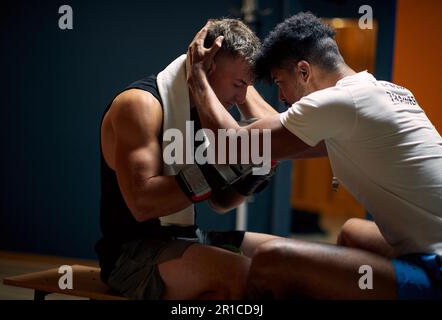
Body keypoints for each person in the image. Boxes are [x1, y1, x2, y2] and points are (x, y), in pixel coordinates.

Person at [186, 12, 442, 299]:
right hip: (428, 245)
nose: (281, 97)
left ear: (304, 72)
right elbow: (278, 139)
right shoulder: (382, 92)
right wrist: (241, 86)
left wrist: (198, 76)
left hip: (436, 268)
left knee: (272, 259)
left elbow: (231, 146)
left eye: (280, 82)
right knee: (352, 232)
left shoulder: (339, 102)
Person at [95, 18, 280, 300]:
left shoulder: (204, 110)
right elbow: (143, 204)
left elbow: (221, 201)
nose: (242, 96)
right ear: (207, 65)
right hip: (132, 255)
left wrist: (253, 170)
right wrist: (228, 165)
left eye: (249, 86)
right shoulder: (140, 105)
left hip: (187, 237)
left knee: (287, 261)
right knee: (246, 277)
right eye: (239, 84)